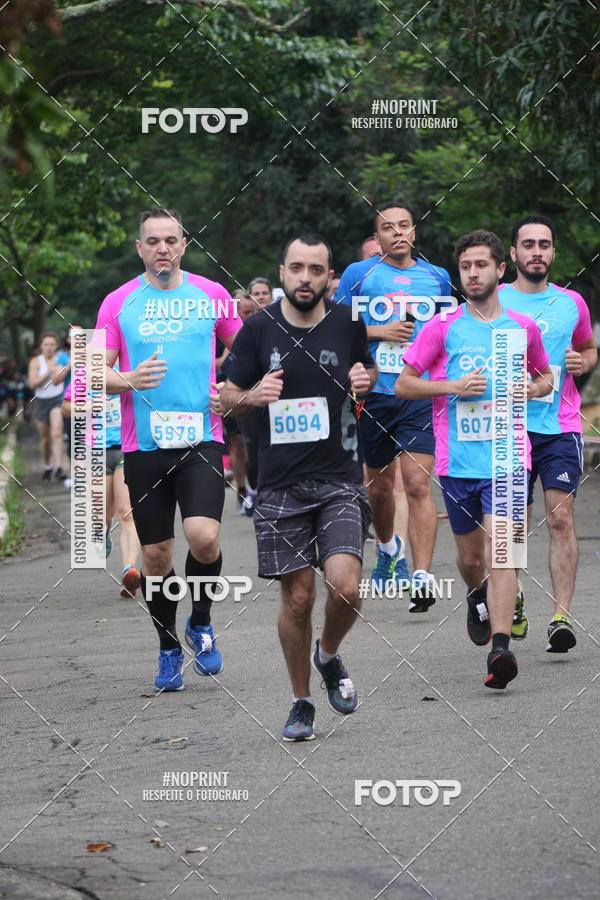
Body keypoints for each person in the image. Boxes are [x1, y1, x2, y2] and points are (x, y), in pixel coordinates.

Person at [220, 233, 376, 741]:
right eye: (296, 268)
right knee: (298, 599)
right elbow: (224, 399)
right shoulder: (257, 330)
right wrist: (253, 396)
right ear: (282, 272)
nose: (305, 278)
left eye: (316, 269)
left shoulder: (349, 323)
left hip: (339, 478)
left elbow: (366, 369)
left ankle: (327, 653)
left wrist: (366, 379)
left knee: (347, 587)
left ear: (330, 276)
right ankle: (301, 700)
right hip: (279, 485)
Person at [396, 229, 551, 689]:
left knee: (502, 554)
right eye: (465, 267)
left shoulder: (523, 328)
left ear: (500, 270)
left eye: (481, 265)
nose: (472, 273)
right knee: (470, 560)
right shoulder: (443, 328)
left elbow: (545, 378)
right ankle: (474, 594)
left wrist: (533, 388)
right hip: (458, 464)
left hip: (509, 458)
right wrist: (451, 387)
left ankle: (500, 650)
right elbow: (405, 383)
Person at [94, 207, 240, 692]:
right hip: (144, 447)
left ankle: (200, 620)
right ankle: (167, 647)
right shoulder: (117, 303)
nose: (162, 248)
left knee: (203, 537)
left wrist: (234, 388)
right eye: (152, 240)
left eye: (170, 240)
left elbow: (246, 351)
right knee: (155, 555)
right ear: (140, 248)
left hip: (202, 438)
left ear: (183, 245)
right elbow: (93, 373)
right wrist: (128, 379)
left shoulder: (212, 297)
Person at [335, 202, 452, 609]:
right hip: (374, 394)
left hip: (419, 394)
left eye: (404, 226)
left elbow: (447, 330)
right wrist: (378, 329)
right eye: (389, 228)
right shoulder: (359, 274)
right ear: (378, 237)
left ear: (414, 233)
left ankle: (421, 575)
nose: (398, 233)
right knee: (380, 489)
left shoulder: (437, 277)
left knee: (418, 484)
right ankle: (387, 548)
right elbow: (333, 325)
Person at [499, 215, 597, 651]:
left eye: (544, 244)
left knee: (559, 518)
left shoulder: (572, 302)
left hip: (559, 427)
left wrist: (583, 363)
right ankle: (512, 599)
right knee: (510, 526)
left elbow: (588, 349)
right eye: (528, 244)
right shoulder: (492, 300)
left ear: (553, 252)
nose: (537, 251)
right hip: (506, 428)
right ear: (513, 253)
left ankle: (561, 617)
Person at [62, 367, 142, 597]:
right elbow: (65, 408)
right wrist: (89, 406)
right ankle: (102, 528)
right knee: (99, 513)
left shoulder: (130, 367)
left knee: (126, 511)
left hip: (127, 448)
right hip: (95, 451)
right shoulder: (85, 372)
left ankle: (130, 570)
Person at [27, 332, 67, 480]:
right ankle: (47, 465)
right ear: (41, 347)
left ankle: (59, 467)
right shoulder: (36, 362)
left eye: (52, 344)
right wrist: (48, 373)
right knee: (44, 438)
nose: (49, 347)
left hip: (57, 399)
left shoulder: (60, 359)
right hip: (41, 400)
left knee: (56, 432)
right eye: (46, 344)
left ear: (56, 346)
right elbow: (32, 383)